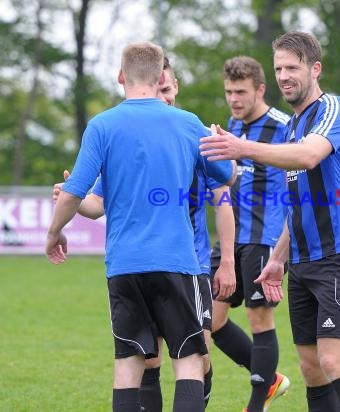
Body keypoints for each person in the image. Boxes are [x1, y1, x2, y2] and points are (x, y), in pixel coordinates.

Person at [46, 41, 236, 412]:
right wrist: (219, 143)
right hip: (176, 263)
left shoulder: (102, 126)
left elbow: (75, 194)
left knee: (128, 367)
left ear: (121, 76)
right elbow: (226, 174)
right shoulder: (187, 124)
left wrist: (55, 232)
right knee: (189, 362)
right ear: (161, 76)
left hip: (124, 266)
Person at [200, 31, 340, 412]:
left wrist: (242, 148)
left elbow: (309, 156)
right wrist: (277, 259)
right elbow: (298, 205)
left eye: (292, 67)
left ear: (315, 68)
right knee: (311, 368)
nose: (284, 75)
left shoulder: (333, 110)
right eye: (279, 68)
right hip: (301, 260)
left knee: (333, 360)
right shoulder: (293, 124)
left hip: (337, 255)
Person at [208, 55, 291, 412]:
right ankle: (270, 379)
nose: (234, 99)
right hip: (231, 237)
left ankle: (256, 404)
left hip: (264, 236)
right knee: (211, 321)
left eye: (241, 92)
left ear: (260, 89)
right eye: (229, 92)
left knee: (260, 318)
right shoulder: (232, 125)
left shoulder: (284, 126)